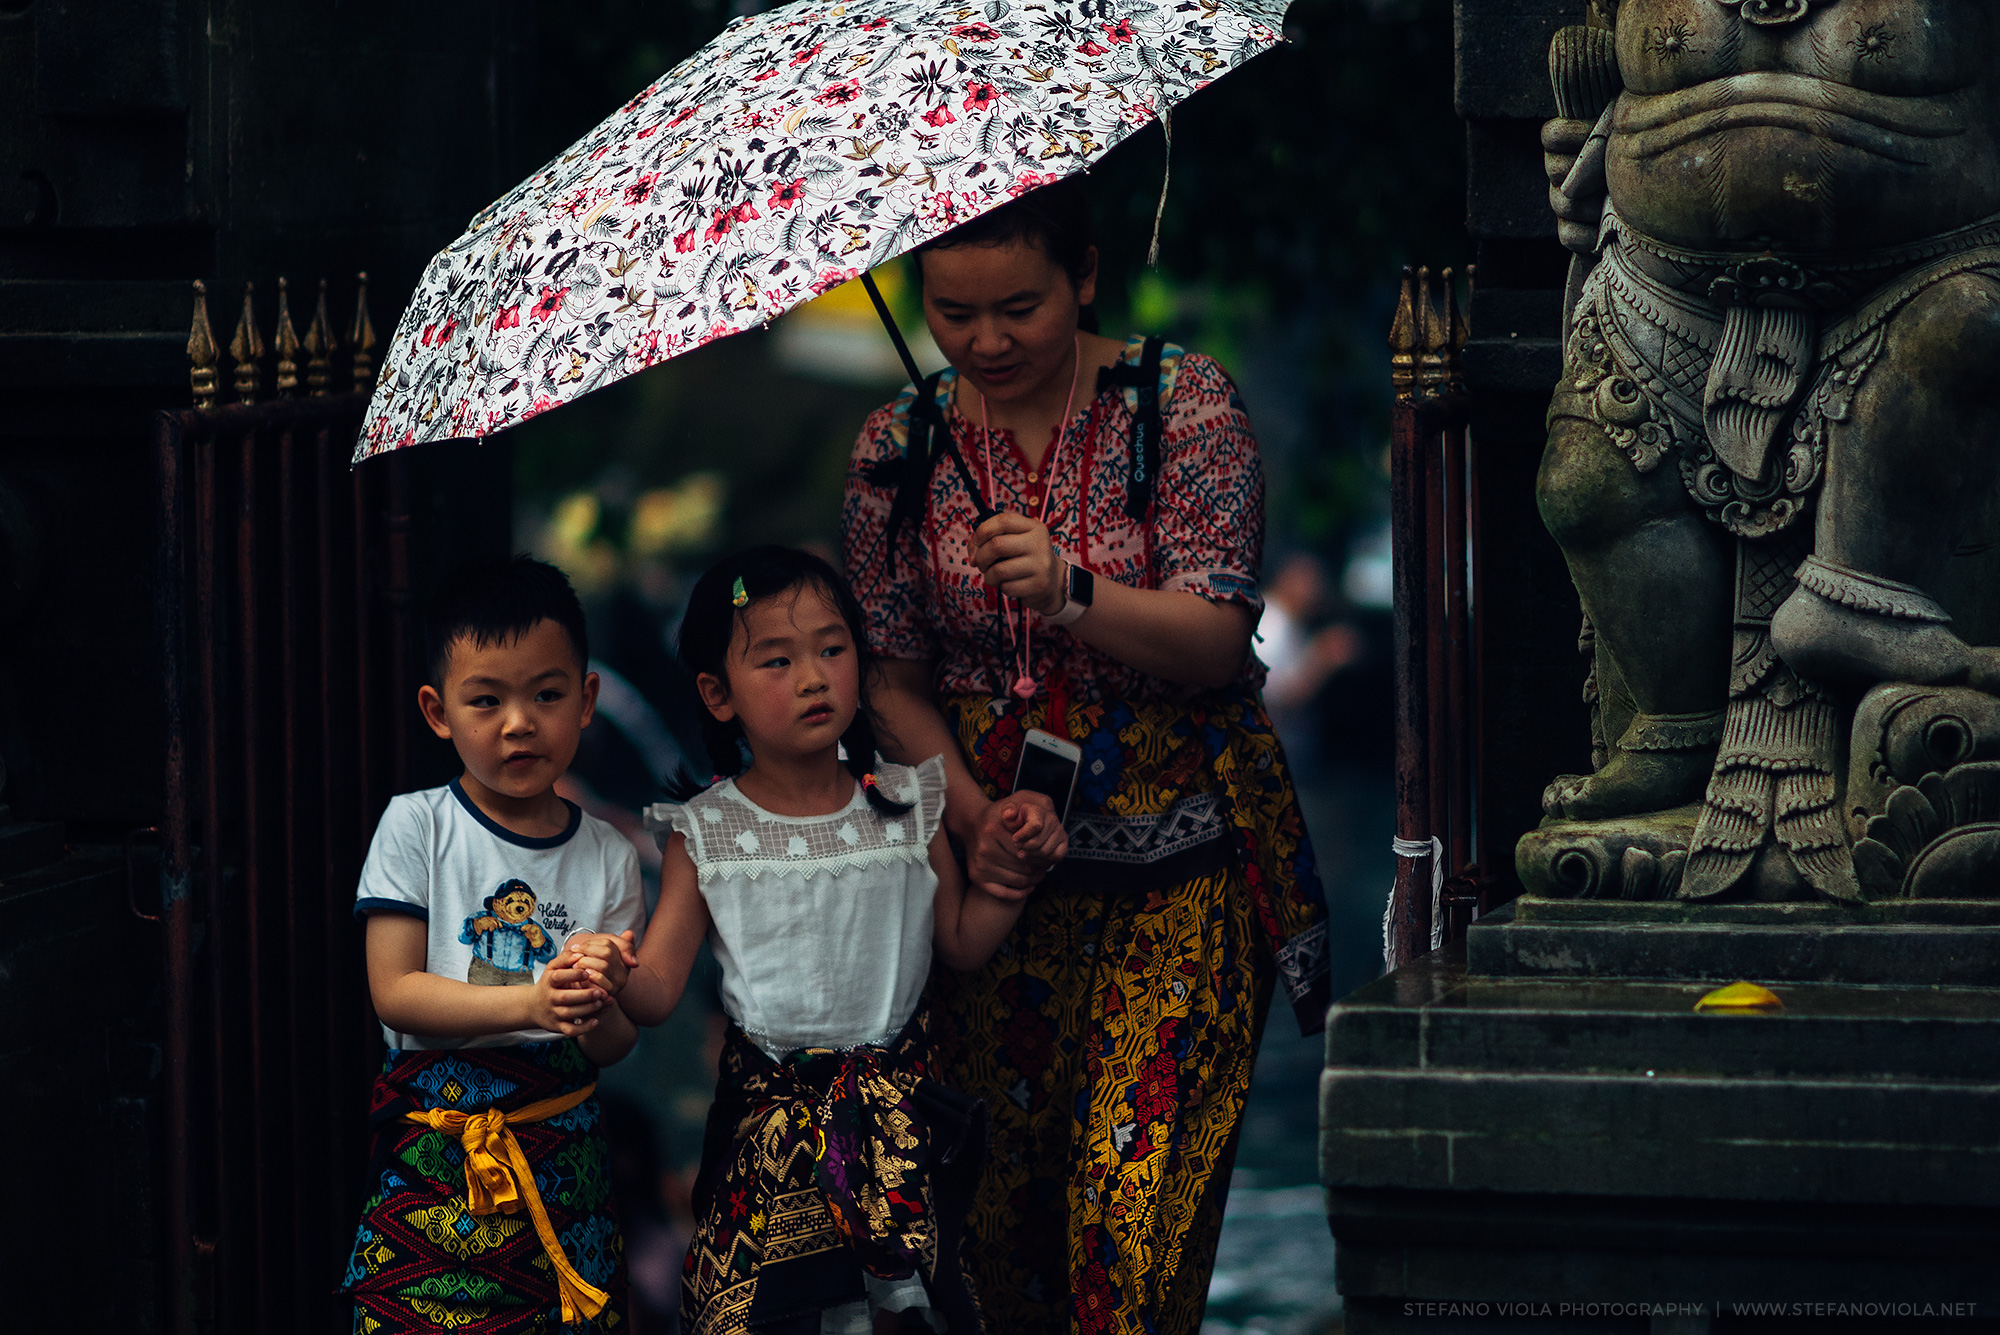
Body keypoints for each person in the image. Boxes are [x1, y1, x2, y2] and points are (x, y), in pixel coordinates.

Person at [840, 177, 1332, 1334]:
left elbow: (1215, 637)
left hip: (1180, 870)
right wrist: (973, 819)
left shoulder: (1181, 405)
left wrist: (1071, 591)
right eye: (952, 313)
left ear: (1085, 278)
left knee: (1132, 1221)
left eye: (1017, 306)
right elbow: (887, 677)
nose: (984, 340)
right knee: (994, 1238)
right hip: (985, 888)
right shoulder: (898, 445)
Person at [576, 546, 1054, 1333]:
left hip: (898, 1118)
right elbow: (658, 988)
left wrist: (1012, 875)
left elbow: (964, 941)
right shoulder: (708, 832)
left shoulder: (905, 802)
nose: (812, 676)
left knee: (899, 1315)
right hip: (769, 1130)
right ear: (717, 694)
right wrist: (610, 966)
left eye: (832, 649)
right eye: (777, 659)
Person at [341, 556, 646, 1335]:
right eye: (488, 699)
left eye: (546, 695)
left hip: (563, 1157)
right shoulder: (418, 826)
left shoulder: (609, 855)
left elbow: (614, 1044)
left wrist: (594, 1005)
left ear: (586, 701)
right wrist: (534, 998)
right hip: (441, 1157)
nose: (520, 722)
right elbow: (395, 990)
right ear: (438, 712)